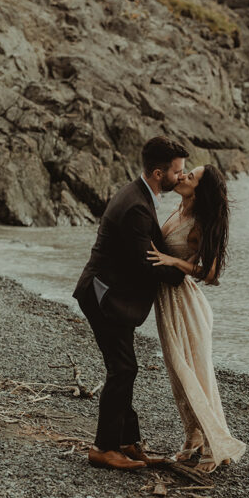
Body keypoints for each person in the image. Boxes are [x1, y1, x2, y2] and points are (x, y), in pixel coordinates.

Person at [73, 136, 188, 470]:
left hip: (106, 292)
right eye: (177, 172)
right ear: (157, 173)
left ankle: (126, 441)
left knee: (125, 368)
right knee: (122, 368)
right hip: (101, 295)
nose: (180, 177)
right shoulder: (137, 205)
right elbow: (146, 262)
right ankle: (103, 448)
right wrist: (184, 272)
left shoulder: (140, 194)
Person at [148, 164, 246, 473]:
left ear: (200, 190)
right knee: (177, 374)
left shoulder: (201, 222)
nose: (184, 176)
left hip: (187, 305)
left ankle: (215, 446)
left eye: (192, 177)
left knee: (195, 373)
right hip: (166, 301)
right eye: (187, 171)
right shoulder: (178, 208)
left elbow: (213, 274)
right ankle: (192, 438)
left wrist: (173, 260)